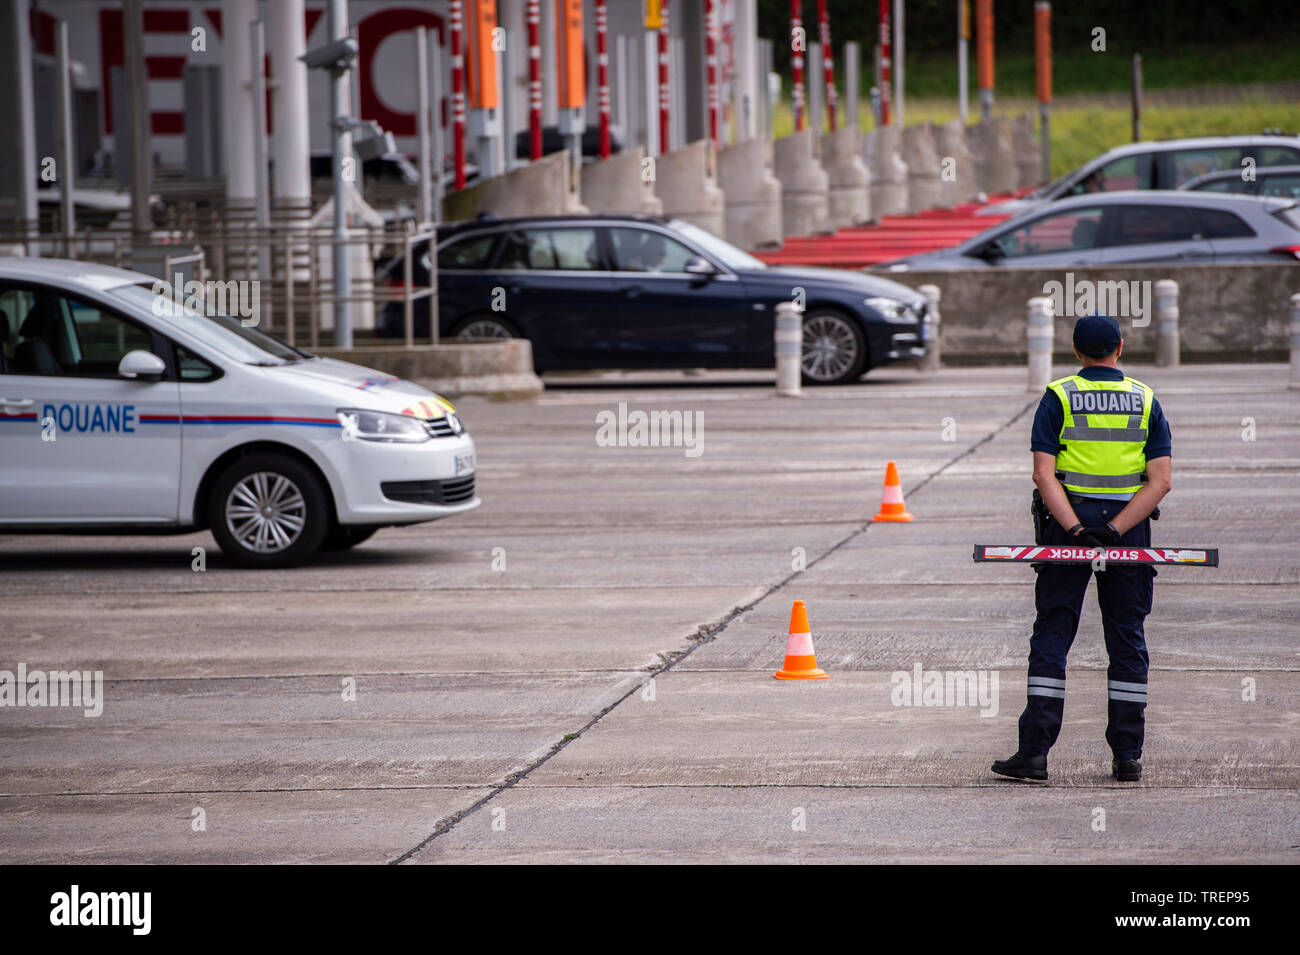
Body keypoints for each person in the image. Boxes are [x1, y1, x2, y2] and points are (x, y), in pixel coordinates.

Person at [993, 314, 1173, 783]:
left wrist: (1074, 529)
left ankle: (1034, 754)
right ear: (1120, 346)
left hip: (1065, 528)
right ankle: (1128, 756)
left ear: (1075, 351)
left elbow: (1043, 474)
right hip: (1127, 532)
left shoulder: (1058, 396)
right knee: (1127, 638)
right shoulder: (1145, 399)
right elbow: (1160, 482)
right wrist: (1115, 530)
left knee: (1053, 633)